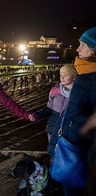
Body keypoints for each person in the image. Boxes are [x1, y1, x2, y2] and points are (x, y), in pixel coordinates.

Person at [55, 26, 96, 196]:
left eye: (83, 45)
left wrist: (83, 130)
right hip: (70, 139)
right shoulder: (84, 71)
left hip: (80, 145)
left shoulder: (92, 77)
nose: (78, 49)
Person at [32, 64, 77, 157]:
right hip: (53, 126)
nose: (62, 77)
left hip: (68, 128)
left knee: (66, 156)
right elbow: (49, 108)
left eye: (66, 75)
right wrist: (38, 115)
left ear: (74, 77)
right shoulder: (54, 91)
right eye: (61, 75)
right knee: (53, 154)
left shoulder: (78, 94)